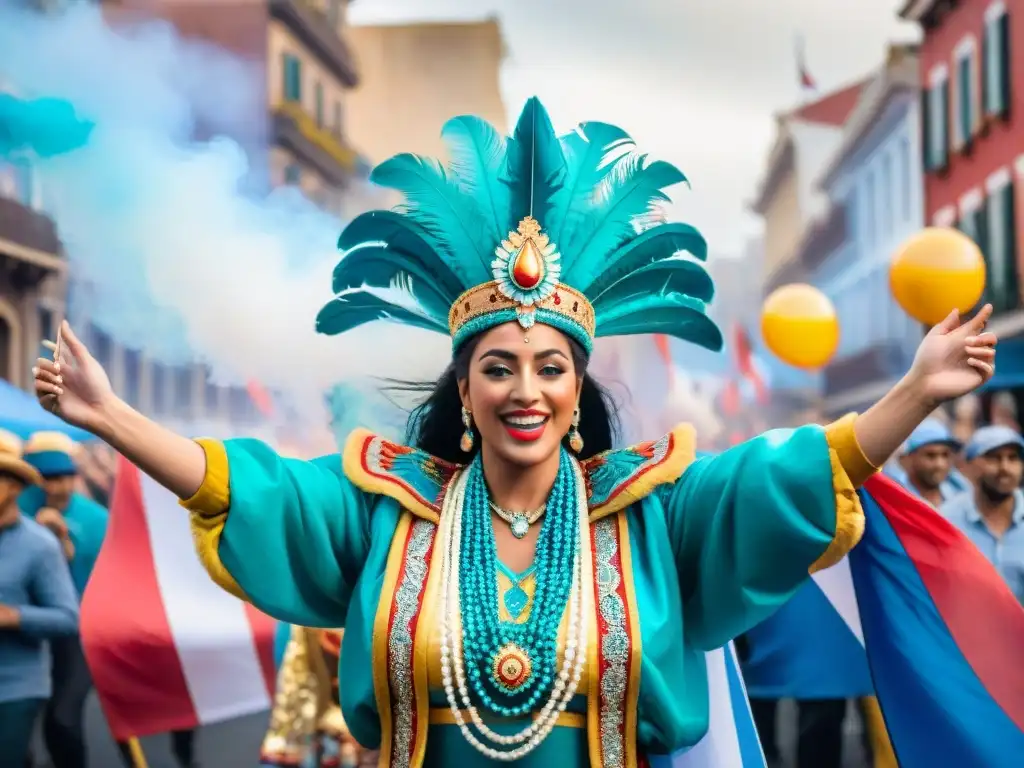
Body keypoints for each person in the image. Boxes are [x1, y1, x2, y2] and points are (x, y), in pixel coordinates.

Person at [31, 98, 998, 766]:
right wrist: (114, 417)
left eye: (550, 368)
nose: (524, 390)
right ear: (465, 387)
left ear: (580, 388)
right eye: (498, 368)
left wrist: (912, 394)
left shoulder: (644, 514)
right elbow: (253, 489)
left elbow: (785, 482)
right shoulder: (392, 508)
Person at [0, 428, 79, 767]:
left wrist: (12, 616)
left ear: (14, 487)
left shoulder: (38, 545)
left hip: (15, 689)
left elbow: (67, 618)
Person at [941, 425, 1024, 604]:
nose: (1005, 467)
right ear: (969, 466)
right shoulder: (946, 520)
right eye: (994, 458)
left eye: (1013, 458)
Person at [886, 418, 966, 507]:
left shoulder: (960, 491)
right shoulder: (895, 496)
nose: (940, 464)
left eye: (945, 455)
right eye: (930, 455)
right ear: (908, 458)